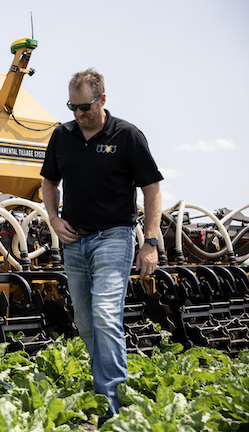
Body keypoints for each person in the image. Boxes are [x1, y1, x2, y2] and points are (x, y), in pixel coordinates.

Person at [40, 69, 163, 422]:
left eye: (85, 107)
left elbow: (151, 189)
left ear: (102, 99)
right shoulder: (62, 136)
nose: (79, 114)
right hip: (75, 241)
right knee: (84, 320)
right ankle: (103, 390)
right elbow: (49, 181)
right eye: (72, 107)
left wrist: (150, 241)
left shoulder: (127, 136)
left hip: (114, 236)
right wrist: (53, 217)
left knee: (106, 315)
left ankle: (114, 405)